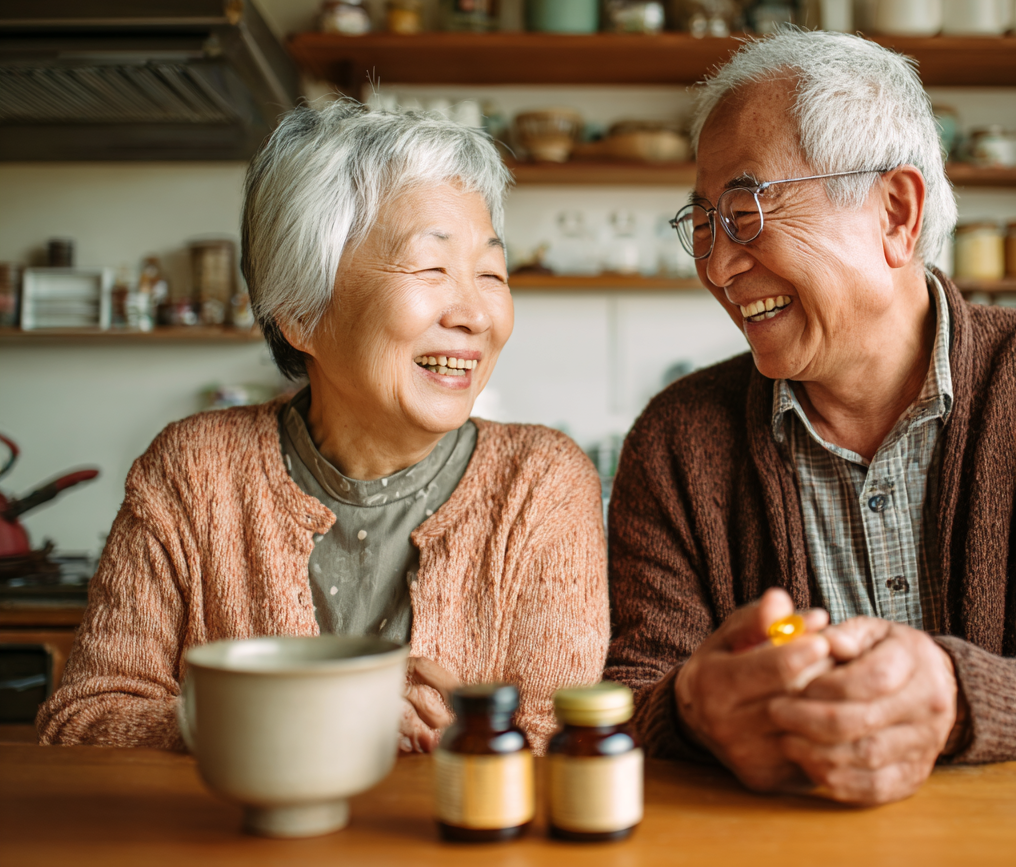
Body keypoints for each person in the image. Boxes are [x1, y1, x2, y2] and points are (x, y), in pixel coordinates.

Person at [603, 31, 1016, 805]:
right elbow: (632, 701)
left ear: (895, 212)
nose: (716, 265)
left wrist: (953, 698)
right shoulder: (680, 437)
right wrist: (692, 709)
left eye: (745, 210)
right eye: (703, 223)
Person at [38, 102, 609, 753]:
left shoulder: (541, 483)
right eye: (432, 270)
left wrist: (466, 743)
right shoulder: (194, 470)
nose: (477, 314)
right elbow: (83, 721)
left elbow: (564, 739)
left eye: (491, 273)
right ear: (301, 315)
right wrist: (290, 720)